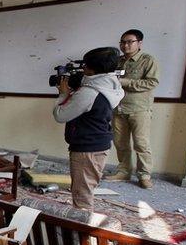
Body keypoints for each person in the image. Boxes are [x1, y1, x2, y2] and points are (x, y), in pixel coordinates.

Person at [52, 47, 125, 211]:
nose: (83, 68)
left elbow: (60, 115)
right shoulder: (112, 85)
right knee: (86, 188)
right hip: (99, 144)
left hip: (87, 148)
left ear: (92, 68)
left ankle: (82, 232)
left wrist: (63, 94)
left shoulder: (89, 92)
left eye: (85, 65)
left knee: (82, 195)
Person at [110, 29, 160, 188]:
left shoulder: (148, 60)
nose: (125, 45)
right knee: (120, 142)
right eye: (122, 42)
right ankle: (123, 172)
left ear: (139, 43)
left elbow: (152, 82)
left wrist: (125, 82)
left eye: (130, 42)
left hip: (139, 109)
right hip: (118, 108)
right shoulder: (116, 61)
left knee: (141, 144)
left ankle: (144, 175)